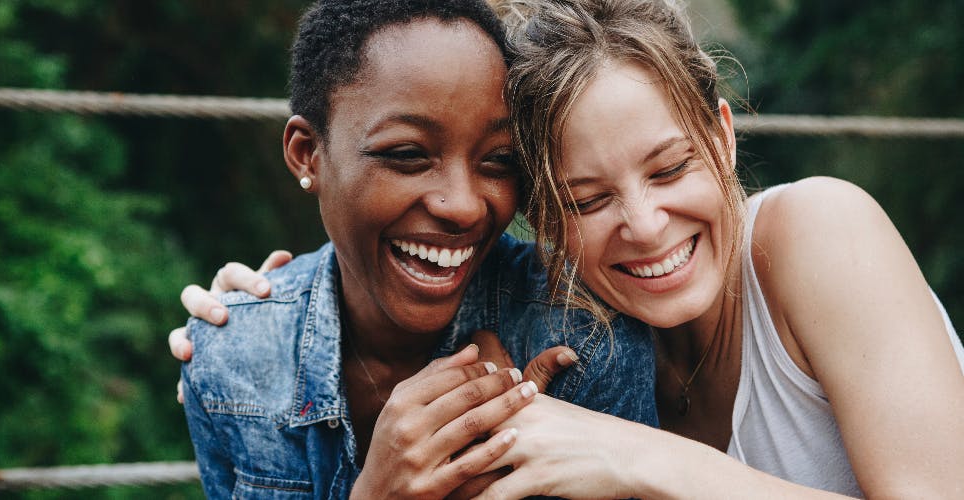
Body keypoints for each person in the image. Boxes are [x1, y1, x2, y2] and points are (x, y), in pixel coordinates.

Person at [180, 0, 964, 498]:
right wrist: (266, 323)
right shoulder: (591, 335)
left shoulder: (818, 234)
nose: (648, 225)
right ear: (544, 218)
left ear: (722, 138)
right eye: (587, 200)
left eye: (671, 167)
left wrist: (640, 458)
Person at [176, 1, 658, 498]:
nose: (465, 207)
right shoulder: (232, 359)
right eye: (408, 155)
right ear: (308, 154)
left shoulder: (583, 337)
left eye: (498, 161)